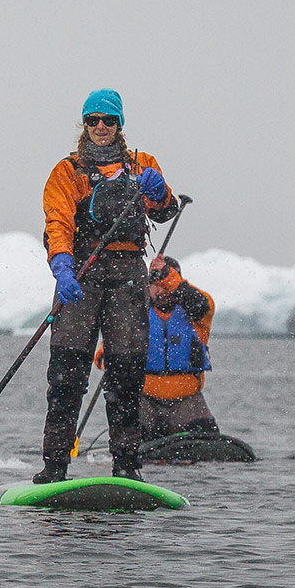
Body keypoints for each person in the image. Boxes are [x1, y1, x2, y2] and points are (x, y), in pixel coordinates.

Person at [35, 89, 178, 482]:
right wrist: (61, 266)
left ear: (120, 125)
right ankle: (54, 467)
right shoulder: (69, 171)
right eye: (93, 120)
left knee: (126, 375)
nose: (101, 127)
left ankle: (128, 467)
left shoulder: (142, 165)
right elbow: (57, 222)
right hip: (81, 275)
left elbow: (165, 211)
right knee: (66, 373)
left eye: (108, 120)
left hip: (128, 275)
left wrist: (158, 189)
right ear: (85, 124)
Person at [140, 255, 220, 440]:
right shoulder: (138, 313)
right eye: (155, 285)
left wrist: (169, 276)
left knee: (204, 441)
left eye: (165, 285)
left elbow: (201, 304)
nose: (161, 291)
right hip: (145, 400)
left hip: (187, 402)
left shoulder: (197, 313)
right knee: (130, 436)